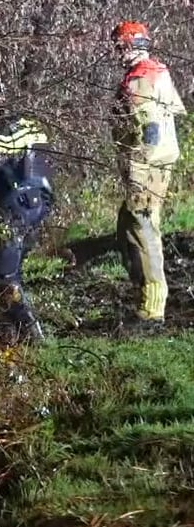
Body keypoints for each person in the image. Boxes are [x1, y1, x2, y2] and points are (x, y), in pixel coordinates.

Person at [111, 20, 186, 329]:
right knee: (129, 226)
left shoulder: (140, 79)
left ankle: (152, 307)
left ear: (132, 44)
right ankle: (145, 297)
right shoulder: (158, 70)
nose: (116, 52)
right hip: (157, 162)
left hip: (147, 167)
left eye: (119, 46)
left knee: (141, 231)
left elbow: (149, 130)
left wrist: (136, 167)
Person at [0, 116, 55, 343]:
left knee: (4, 276)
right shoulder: (29, 125)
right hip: (39, 207)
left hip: (17, 210)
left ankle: (32, 334)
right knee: (9, 273)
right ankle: (11, 333)